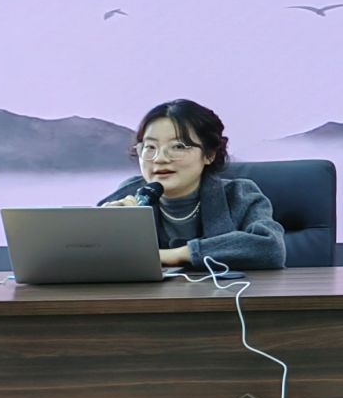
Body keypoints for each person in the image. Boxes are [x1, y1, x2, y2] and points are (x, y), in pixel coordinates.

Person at [98, 100, 286, 270]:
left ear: (209, 154)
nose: (160, 159)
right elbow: (88, 255)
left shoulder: (238, 195)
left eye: (178, 146)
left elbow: (271, 248)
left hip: (226, 295)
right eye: (150, 147)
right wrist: (105, 228)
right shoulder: (129, 195)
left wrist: (176, 255)